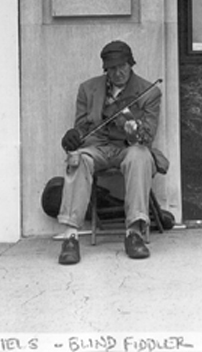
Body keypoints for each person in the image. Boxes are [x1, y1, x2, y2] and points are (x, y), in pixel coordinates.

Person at [57, 40, 162, 265]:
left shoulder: (149, 92)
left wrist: (133, 128)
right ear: (105, 69)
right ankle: (70, 237)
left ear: (130, 64)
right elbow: (83, 128)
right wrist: (73, 136)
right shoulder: (88, 89)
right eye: (112, 68)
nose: (118, 73)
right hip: (98, 147)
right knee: (79, 159)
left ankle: (134, 232)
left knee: (140, 156)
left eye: (122, 66)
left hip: (129, 147)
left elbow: (148, 135)